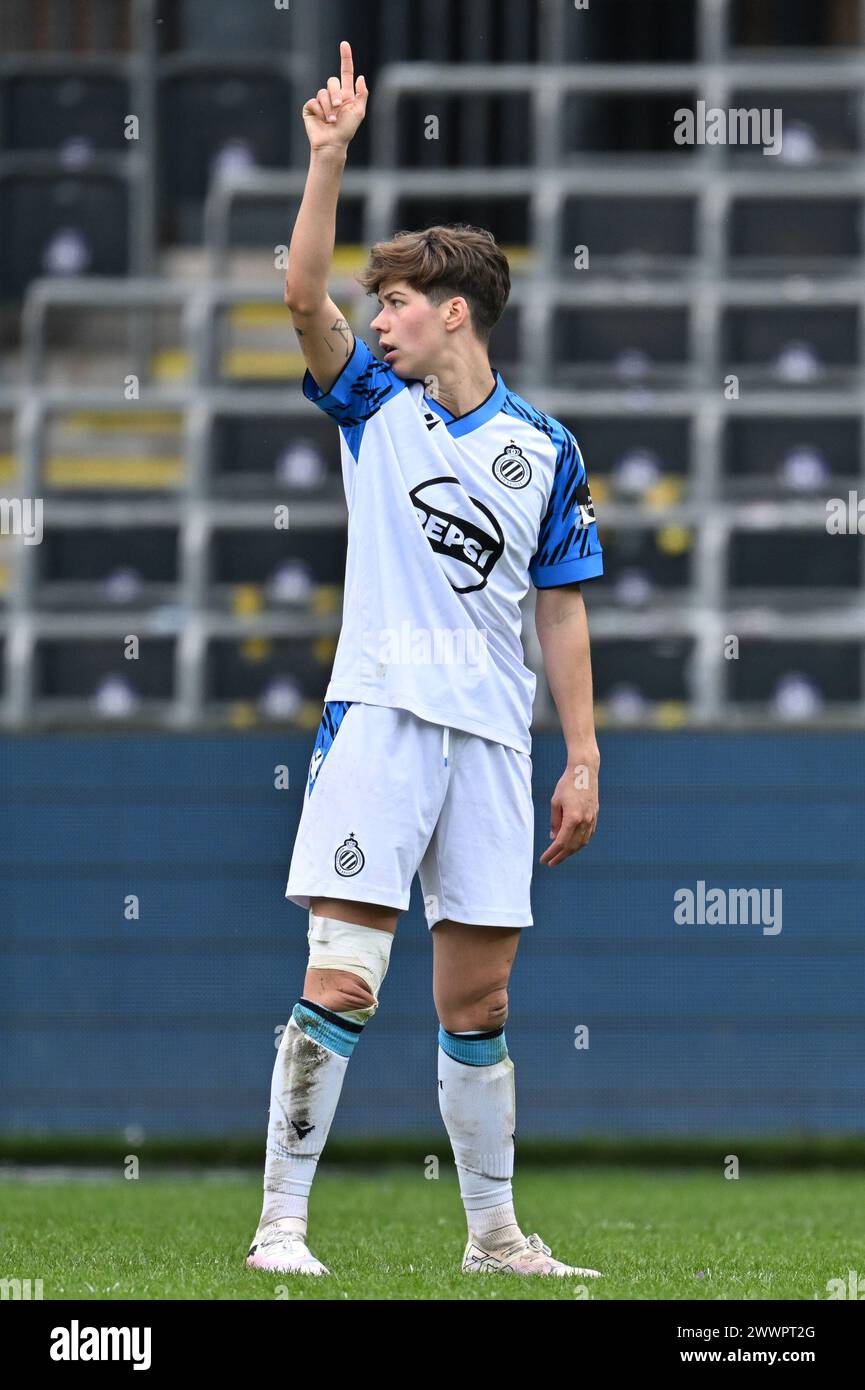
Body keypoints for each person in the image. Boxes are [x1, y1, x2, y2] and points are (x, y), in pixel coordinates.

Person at [246, 40, 604, 1280]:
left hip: (494, 744)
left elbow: (560, 608)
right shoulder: (373, 408)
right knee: (342, 976)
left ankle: (494, 1235)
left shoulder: (548, 450)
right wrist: (327, 156)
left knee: (480, 1006)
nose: (375, 315)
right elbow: (300, 295)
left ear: (454, 309)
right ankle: (280, 1223)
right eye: (375, 301)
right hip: (382, 718)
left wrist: (585, 755)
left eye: (394, 299)